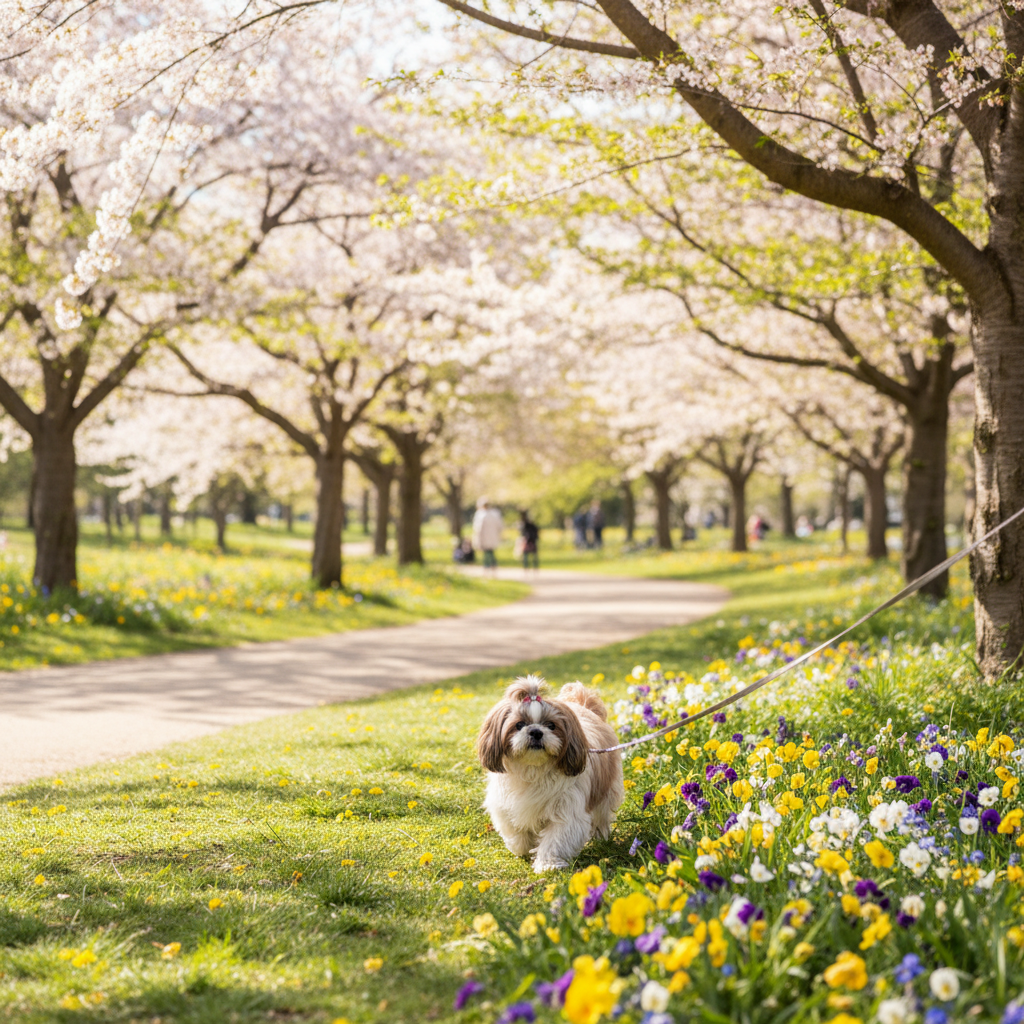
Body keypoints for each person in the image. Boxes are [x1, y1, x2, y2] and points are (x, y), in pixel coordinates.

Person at [472, 497, 503, 573]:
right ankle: (493, 567)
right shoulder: (495, 514)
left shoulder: (480, 514)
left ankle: (487, 568)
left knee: (487, 553)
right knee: (490, 552)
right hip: (492, 537)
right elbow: (500, 526)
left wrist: (477, 538)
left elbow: (478, 528)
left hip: (485, 537)